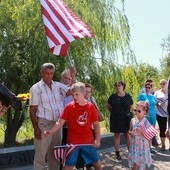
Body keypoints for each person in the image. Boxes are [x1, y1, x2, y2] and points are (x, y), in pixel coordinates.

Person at [44, 82, 102, 170]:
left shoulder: (91, 107)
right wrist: (51, 131)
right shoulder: (69, 107)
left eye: (77, 95)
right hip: (72, 143)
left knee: (96, 162)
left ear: (84, 94)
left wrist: (97, 139)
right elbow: (60, 122)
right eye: (73, 95)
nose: (74, 97)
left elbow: (96, 124)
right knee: (68, 165)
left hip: (88, 142)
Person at [29, 63, 69, 170]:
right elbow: (32, 110)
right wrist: (36, 128)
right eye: (46, 73)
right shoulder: (36, 88)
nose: (49, 75)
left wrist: (72, 77)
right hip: (43, 124)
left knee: (55, 153)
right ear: (41, 73)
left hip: (57, 124)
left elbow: (72, 91)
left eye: (51, 73)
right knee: (40, 155)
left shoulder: (58, 85)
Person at [107, 80, 133, 160]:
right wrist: (114, 112)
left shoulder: (128, 96)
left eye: (119, 85)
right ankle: (117, 153)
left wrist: (129, 115)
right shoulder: (112, 96)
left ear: (123, 86)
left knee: (127, 135)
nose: (118, 87)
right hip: (116, 118)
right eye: (116, 85)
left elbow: (131, 107)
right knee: (117, 135)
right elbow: (108, 106)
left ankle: (131, 152)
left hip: (126, 118)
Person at [128, 101, 152, 170]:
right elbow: (129, 130)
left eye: (139, 111)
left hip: (143, 147)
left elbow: (149, 136)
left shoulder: (146, 122)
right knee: (135, 164)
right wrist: (131, 133)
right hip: (135, 146)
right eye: (135, 110)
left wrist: (141, 133)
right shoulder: (133, 120)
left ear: (145, 112)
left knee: (142, 164)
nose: (136, 112)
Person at [137, 81, 158, 148]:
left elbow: (155, 104)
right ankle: (145, 147)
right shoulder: (142, 95)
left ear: (151, 88)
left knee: (151, 131)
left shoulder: (152, 96)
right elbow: (138, 104)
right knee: (145, 131)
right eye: (146, 87)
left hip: (153, 115)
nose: (147, 88)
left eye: (149, 87)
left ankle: (150, 147)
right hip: (145, 115)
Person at [154, 79, 170, 150]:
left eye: (164, 83)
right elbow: (153, 102)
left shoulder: (169, 92)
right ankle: (163, 145)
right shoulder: (157, 93)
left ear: (167, 84)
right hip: (160, 113)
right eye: (161, 83)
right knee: (162, 129)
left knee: (169, 129)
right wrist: (157, 104)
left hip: (168, 113)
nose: (162, 85)